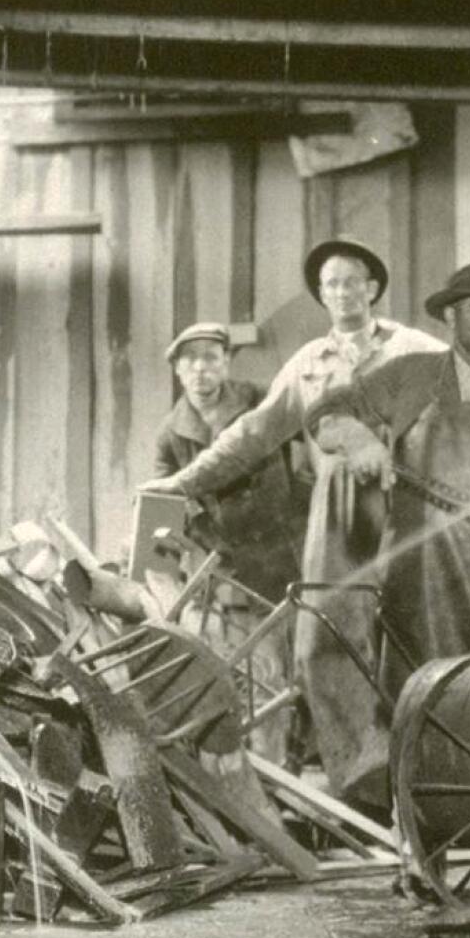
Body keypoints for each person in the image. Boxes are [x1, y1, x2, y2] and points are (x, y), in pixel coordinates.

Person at [141, 237, 446, 811]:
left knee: (412, 645)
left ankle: (429, 783)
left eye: (353, 281)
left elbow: (461, 416)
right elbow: (252, 435)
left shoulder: (417, 348)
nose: (342, 292)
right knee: (321, 649)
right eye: (331, 284)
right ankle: (365, 784)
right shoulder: (308, 365)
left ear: (373, 289)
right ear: (322, 295)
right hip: (337, 522)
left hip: (410, 512)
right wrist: (181, 485)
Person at [305, 258, 470, 674]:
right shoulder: (409, 376)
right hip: (422, 578)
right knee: (415, 698)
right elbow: (325, 411)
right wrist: (359, 439)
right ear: (450, 315)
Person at [151, 320, 304, 766]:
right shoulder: (171, 433)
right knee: (234, 677)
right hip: (218, 567)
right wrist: (194, 539)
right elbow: (162, 501)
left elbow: (305, 445)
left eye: (211, 359)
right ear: (178, 371)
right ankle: (241, 776)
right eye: (190, 361)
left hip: (276, 558)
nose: (201, 371)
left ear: (226, 364)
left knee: (279, 676)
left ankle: (281, 773)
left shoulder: (260, 400)